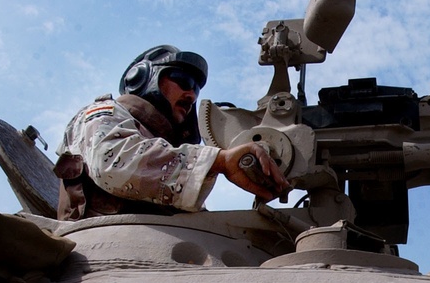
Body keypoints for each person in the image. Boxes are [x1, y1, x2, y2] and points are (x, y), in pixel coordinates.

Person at [53, 45, 289, 221]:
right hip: (101, 251)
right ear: (142, 78)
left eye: (196, 88)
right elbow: (115, 163)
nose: (192, 95)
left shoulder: (166, 148)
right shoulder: (105, 113)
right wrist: (220, 161)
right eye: (183, 81)